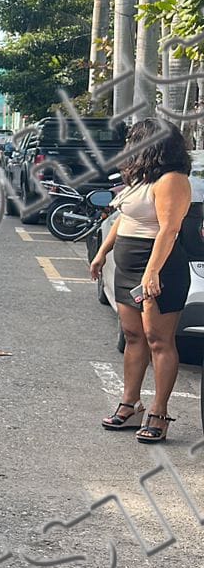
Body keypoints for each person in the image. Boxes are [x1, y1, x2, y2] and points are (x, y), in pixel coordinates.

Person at [89, 118, 193, 443]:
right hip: (128, 265)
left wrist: (152, 271)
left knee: (158, 340)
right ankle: (130, 404)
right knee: (133, 336)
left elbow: (169, 229)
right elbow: (124, 219)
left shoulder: (173, 179)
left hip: (159, 266)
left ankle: (159, 413)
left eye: (134, 140)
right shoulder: (141, 179)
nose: (128, 145)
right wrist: (102, 252)